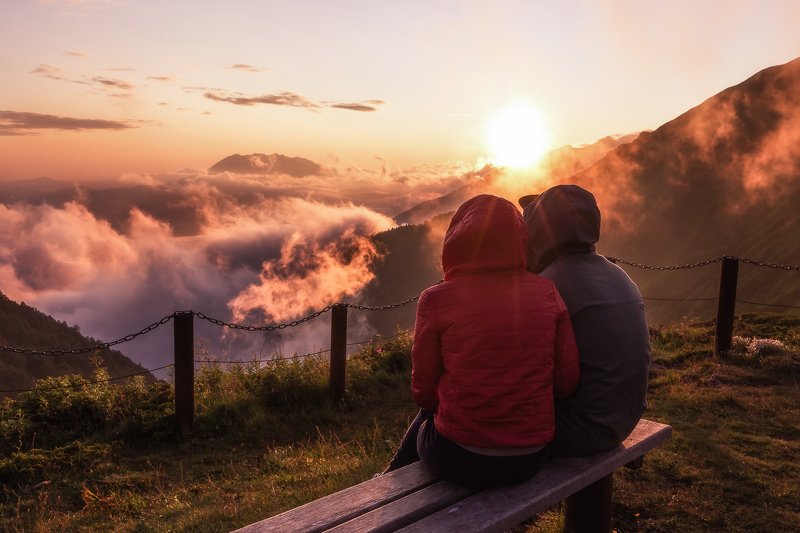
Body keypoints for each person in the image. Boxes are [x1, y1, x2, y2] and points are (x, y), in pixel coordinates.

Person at [383, 194, 580, 488]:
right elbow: (566, 382)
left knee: (428, 419)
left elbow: (423, 393)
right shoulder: (547, 293)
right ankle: (387, 478)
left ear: (457, 239)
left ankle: (388, 480)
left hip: (458, 457)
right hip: (530, 458)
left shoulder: (436, 299)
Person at [519, 184, 650, 457]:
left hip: (581, 429)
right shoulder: (617, 274)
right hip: (624, 419)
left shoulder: (549, 286)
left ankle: (406, 478)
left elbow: (527, 373)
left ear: (541, 235)